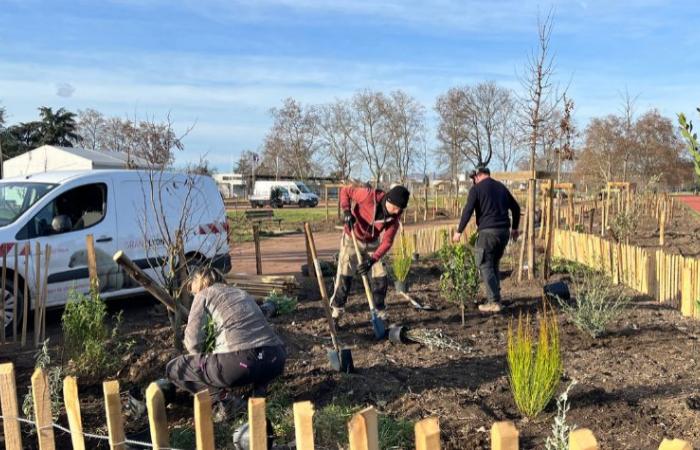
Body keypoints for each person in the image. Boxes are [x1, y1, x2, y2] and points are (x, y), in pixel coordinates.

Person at [165, 267, 287, 406]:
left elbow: (192, 341)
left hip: (241, 364)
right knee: (257, 361)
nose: (194, 295)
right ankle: (258, 394)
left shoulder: (204, 294)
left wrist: (203, 362)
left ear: (198, 284)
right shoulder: (242, 293)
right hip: (275, 358)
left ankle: (226, 402)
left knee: (174, 368)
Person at [329, 184, 410, 321]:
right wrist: (347, 211)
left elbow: (387, 242)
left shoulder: (394, 219)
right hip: (352, 237)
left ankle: (379, 311)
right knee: (345, 274)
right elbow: (345, 191)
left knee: (380, 275)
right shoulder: (368, 196)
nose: (397, 212)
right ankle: (337, 312)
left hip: (372, 242)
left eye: (400, 209)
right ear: (389, 200)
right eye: (396, 208)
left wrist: (372, 260)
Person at [452, 166, 521, 313]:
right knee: (493, 263)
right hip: (503, 233)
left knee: (484, 264)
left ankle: (494, 302)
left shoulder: (476, 190)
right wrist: (515, 228)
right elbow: (516, 208)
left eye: (474, 179)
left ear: (478, 176)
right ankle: (496, 297)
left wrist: (459, 231)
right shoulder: (501, 187)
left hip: (488, 233)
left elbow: (468, 210)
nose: (473, 181)